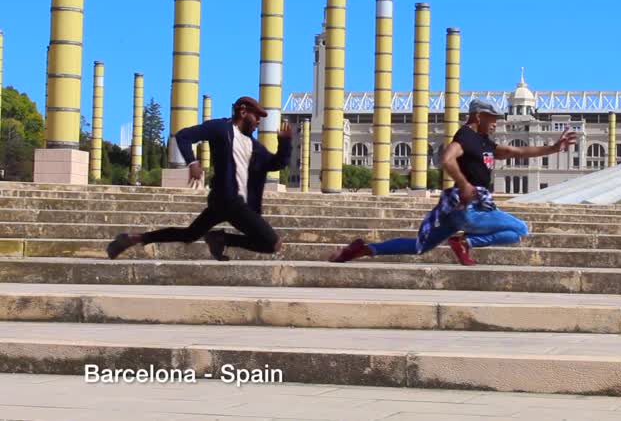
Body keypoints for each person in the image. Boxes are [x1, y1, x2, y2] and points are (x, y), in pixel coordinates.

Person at [329, 99, 577, 265]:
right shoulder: (466, 137)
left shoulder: (483, 141)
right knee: (520, 230)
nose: (496, 122)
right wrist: (464, 183)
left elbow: (515, 151)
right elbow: (446, 158)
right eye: (492, 118)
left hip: (456, 210)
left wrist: (554, 148)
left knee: (418, 247)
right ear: (478, 116)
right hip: (470, 208)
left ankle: (364, 249)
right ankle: (465, 241)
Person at [106, 96, 292, 261]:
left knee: (190, 234)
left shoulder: (253, 146)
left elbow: (276, 164)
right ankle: (220, 239)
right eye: (256, 116)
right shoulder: (221, 129)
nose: (259, 121)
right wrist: (192, 162)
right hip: (230, 201)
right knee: (272, 243)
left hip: (226, 203)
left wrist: (285, 144)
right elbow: (183, 136)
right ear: (243, 112)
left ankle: (134, 238)